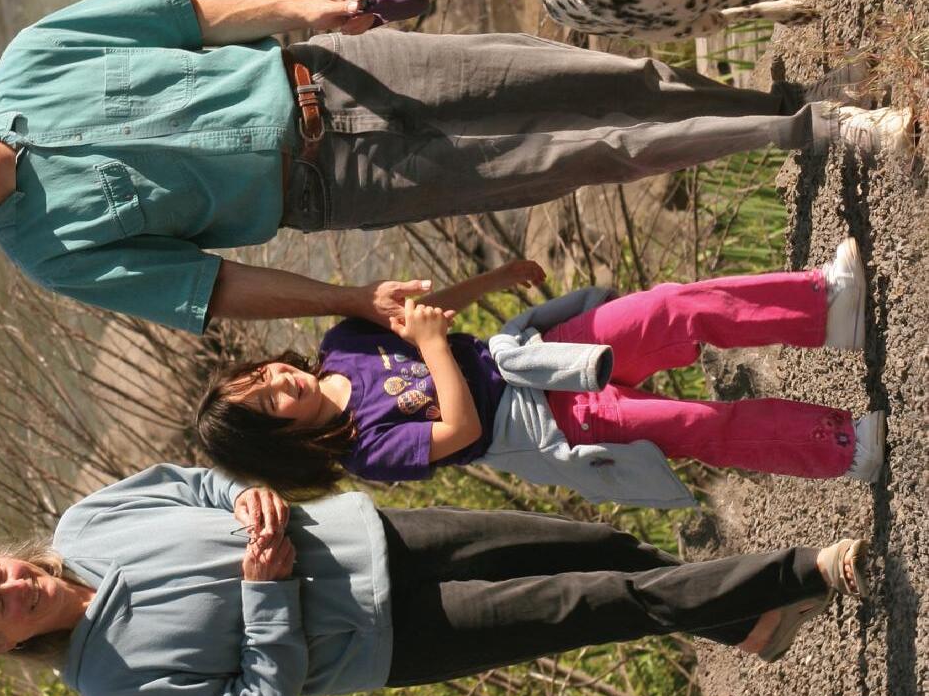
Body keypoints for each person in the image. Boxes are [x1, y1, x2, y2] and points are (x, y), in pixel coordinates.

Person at [0, 0, 913, 334]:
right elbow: (212, 289)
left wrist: (308, 8)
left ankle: (778, 104)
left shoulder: (33, 55)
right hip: (337, 184)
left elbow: (187, 15)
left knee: (587, 79)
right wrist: (348, 302)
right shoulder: (48, 256)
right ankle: (816, 129)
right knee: (585, 156)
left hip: (334, 73)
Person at [0, 463, 868, 696]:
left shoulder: (87, 520)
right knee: (599, 601)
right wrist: (265, 598)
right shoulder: (108, 680)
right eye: (5, 607)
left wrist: (243, 498)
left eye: (3, 573)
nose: (20, 585)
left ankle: (746, 620)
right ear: (2, 648)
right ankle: (804, 574)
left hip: (374, 536)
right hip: (395, 637)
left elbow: (190, 483)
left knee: (597, 548)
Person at [195, 238, 885, 508]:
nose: (280, 385)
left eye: (263, 377)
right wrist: (434, 349)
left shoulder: (343, 342)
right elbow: (461, 430)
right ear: (279, 440)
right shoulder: (363, 450)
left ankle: (826, 309)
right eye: (269, 406)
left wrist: (495, 279)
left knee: (671, 307)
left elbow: (428, 314)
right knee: (699, 423)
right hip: (544, 423)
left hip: (537, 354)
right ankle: (845, 447)